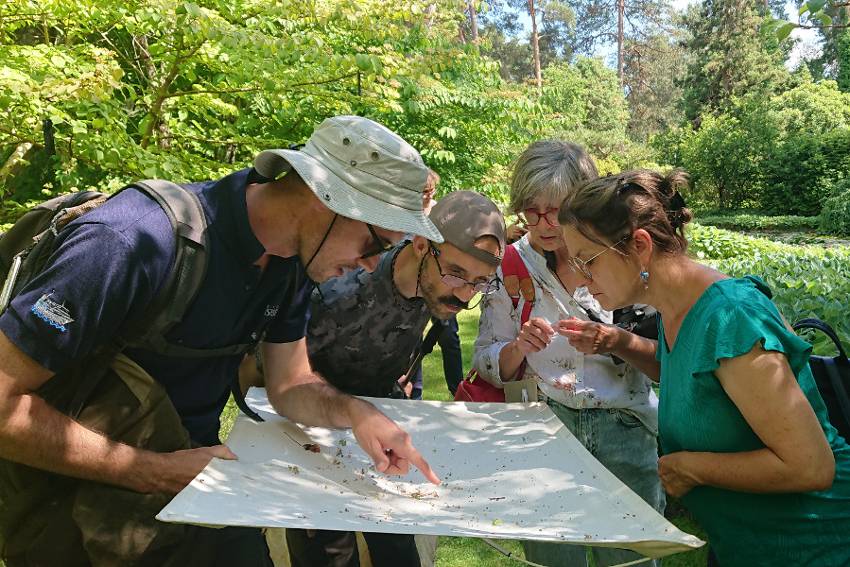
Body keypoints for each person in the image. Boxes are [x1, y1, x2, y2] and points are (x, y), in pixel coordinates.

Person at [0, 115, 441, 567]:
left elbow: (290, 385)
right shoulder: (130, 240)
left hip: (197, 497)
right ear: (324, 198)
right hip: (75, 520)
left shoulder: (290, 264)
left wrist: (357, 413)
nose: (371, 266)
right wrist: (152, 471)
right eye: (374, 243)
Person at [557, 169, 850, 566]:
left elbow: (811, 466)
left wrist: (693, 468)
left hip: (813, 546)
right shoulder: (675, 309)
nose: (579, 279)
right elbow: (692, 378)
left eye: (586, 261)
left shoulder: (732, 316)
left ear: (639, 246)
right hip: (745, 545)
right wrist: (617, 341)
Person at [282, 189, 505, 567]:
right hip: (313, 434)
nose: (465, 294)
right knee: (330, 555)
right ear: (420, 244)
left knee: (398, 550)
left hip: (381, 429)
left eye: (481, 282)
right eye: (456, 273)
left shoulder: (436, 287)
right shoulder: (343, 285)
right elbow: (277, 371)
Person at [471, 140, 664, 567]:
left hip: (625, 428)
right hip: (544, 430)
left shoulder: (623, 255)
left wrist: (615, 341)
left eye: (556, 210)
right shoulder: (512, 267)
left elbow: (665, 363)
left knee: (630, 556)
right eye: (531, 210)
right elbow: (484, 357)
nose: (543, 224)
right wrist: (518, 346)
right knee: (553, 556)